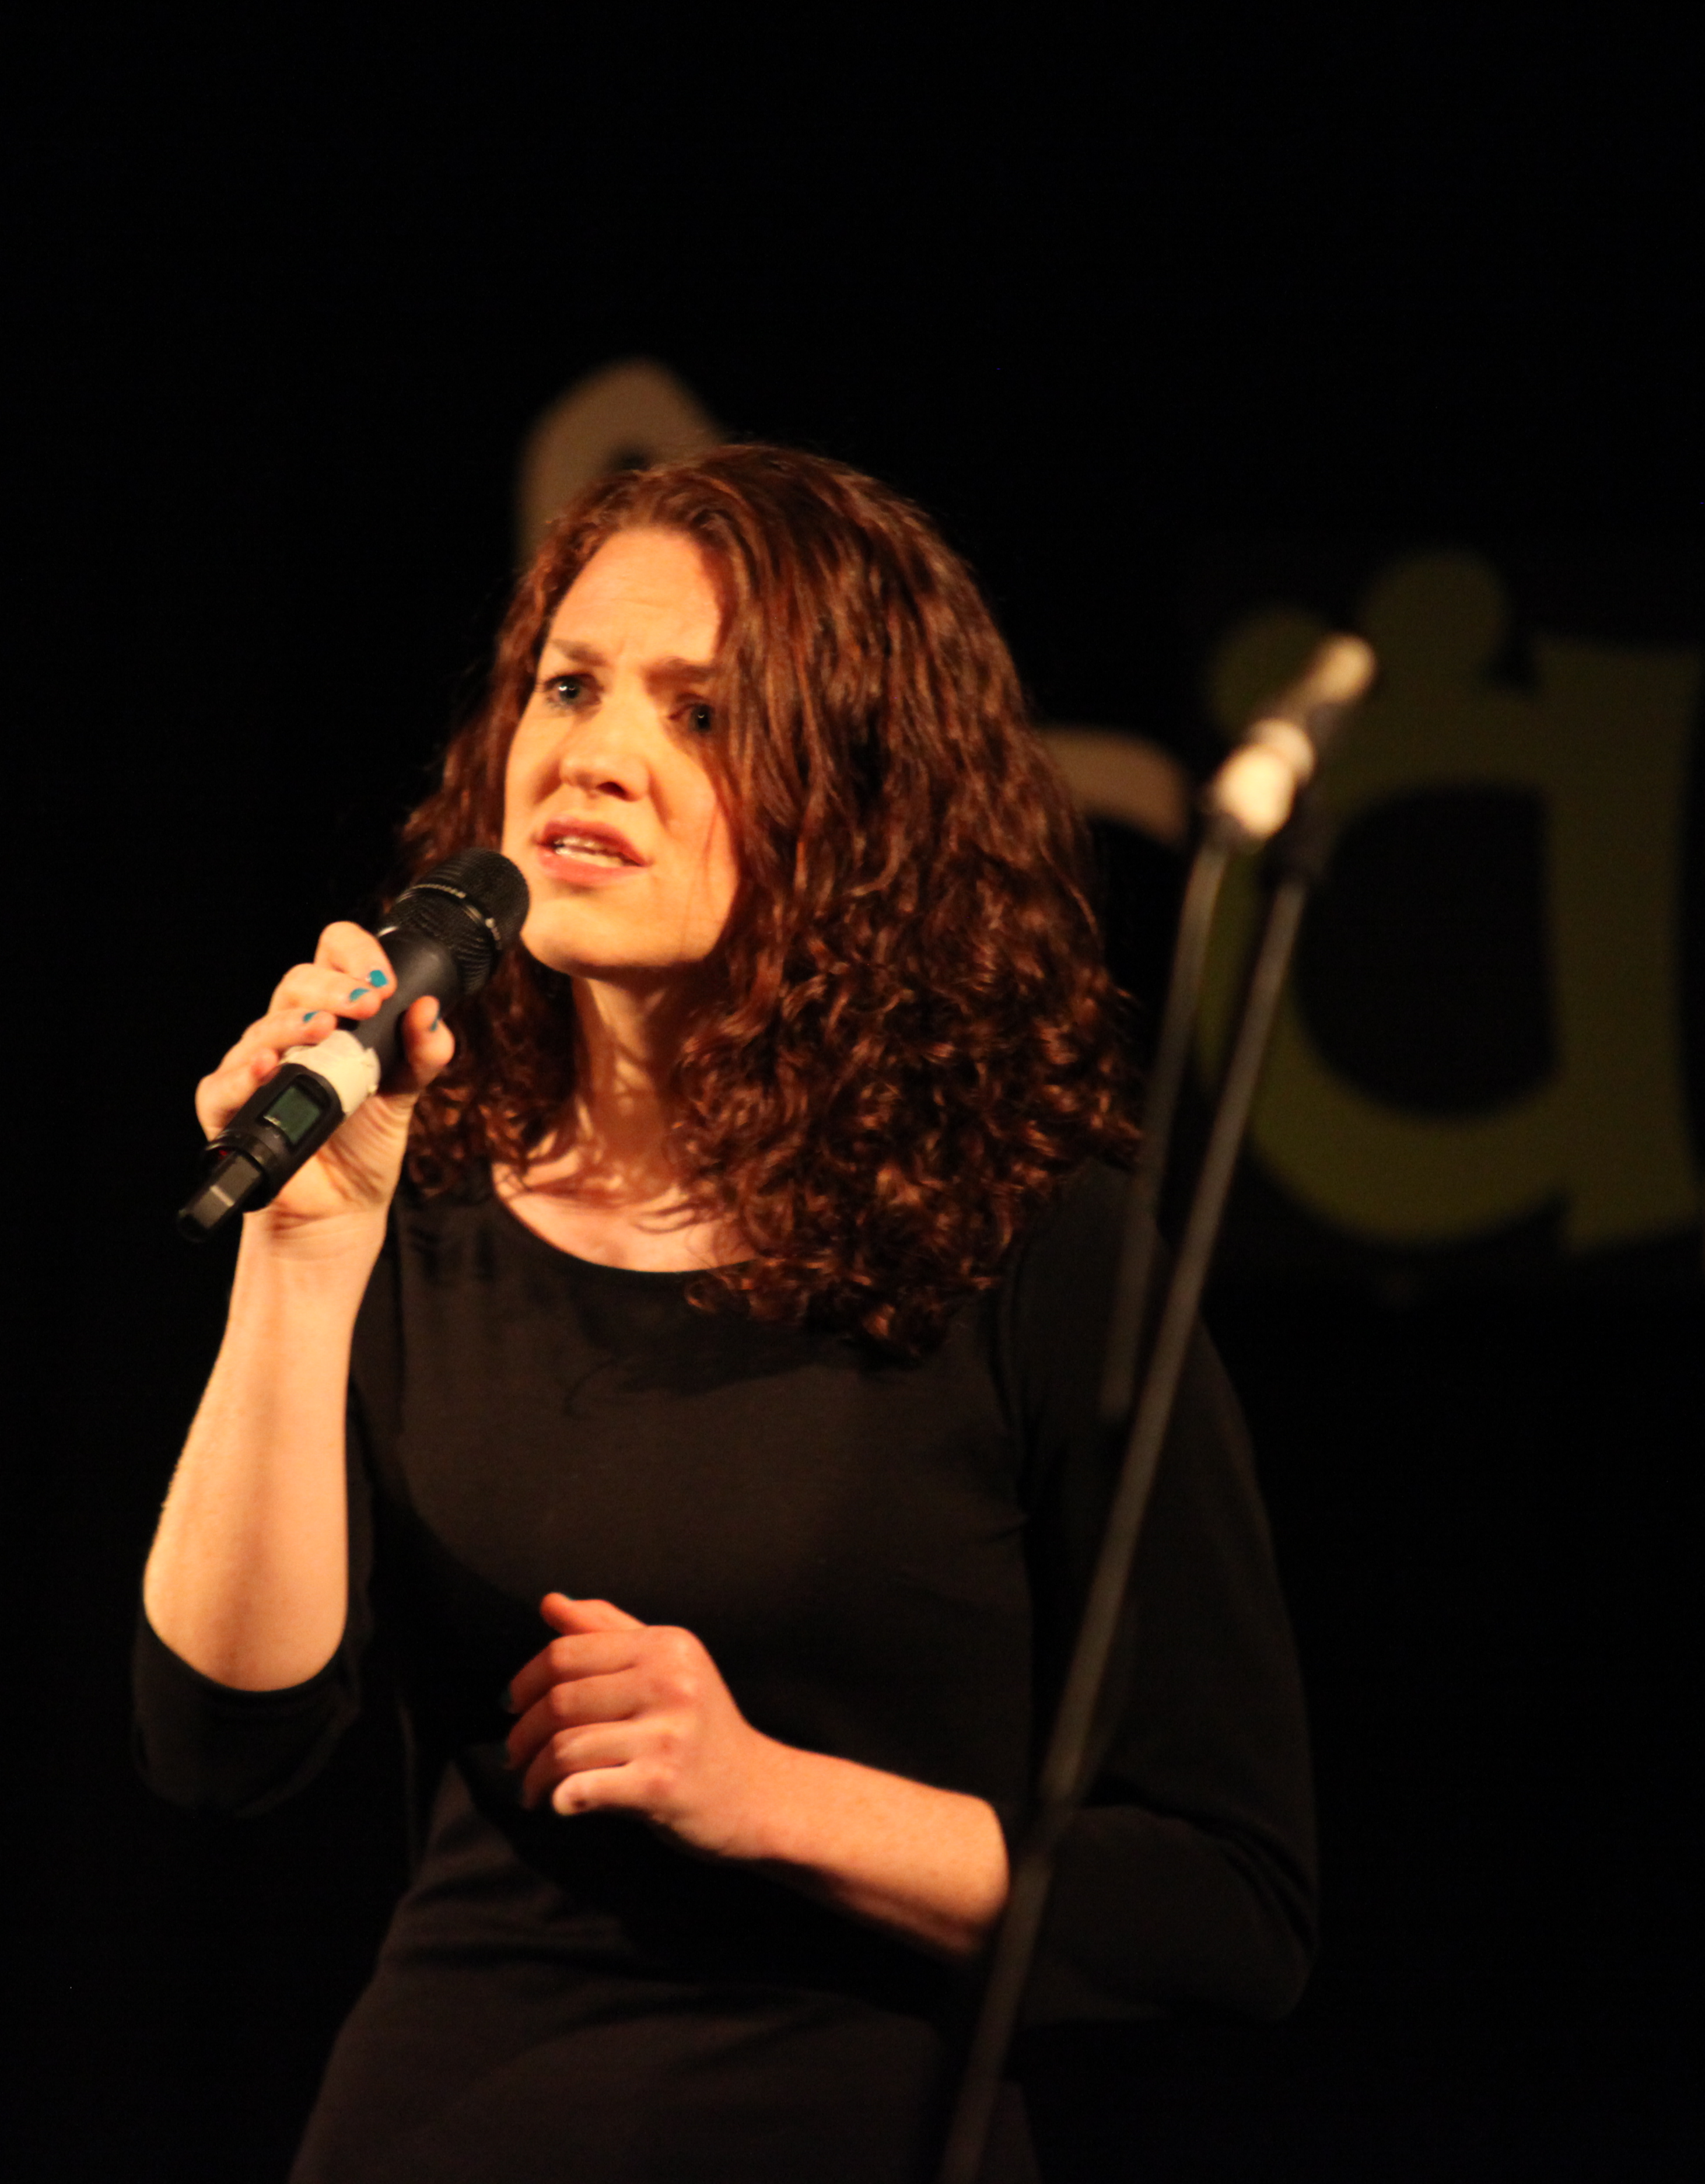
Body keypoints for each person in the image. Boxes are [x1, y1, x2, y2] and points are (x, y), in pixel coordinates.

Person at [135, 445, 1314, 2183]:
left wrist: (766, 1793)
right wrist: (304, 1259)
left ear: (862, 806)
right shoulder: (418, 1206)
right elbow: (221, 1745)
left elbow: (1231, 1907)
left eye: (702, 714)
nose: (597, 753)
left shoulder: (1036, 1253)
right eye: (571, 685)